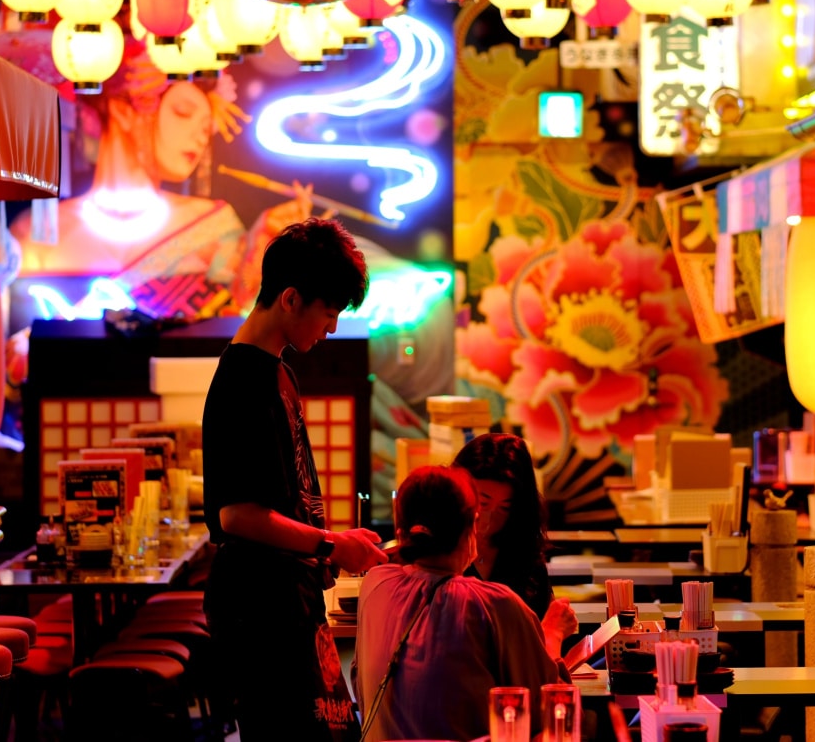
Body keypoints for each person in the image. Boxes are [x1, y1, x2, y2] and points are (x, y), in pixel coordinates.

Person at [202, 218, 388, 740]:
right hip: (259, 610)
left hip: (289, 600)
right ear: (290, 299)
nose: (331, 328)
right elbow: (237, 514)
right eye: (328, 312)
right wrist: (332, 545)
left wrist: (333, 547)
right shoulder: (243, 380)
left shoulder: (280, 371)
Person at [11, 42, 314, 319]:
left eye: (206, 128)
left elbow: (241, 320)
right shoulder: (36, 232)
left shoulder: (213, 226)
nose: (199, 137)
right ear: (122, 110)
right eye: (183, 112)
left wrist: (265, 243)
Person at [357, 466, 567, 742]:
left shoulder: (374, 584)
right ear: (473, 527)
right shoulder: (494, 605)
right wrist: (552, 635)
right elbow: (551, 708)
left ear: (400, 530)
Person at [454, 433, 578, 658]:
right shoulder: (441, 557)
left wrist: (553, 628)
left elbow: (540, 654)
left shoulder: (524, 556)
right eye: (483, 503)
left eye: (504, 508)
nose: (489, 519)